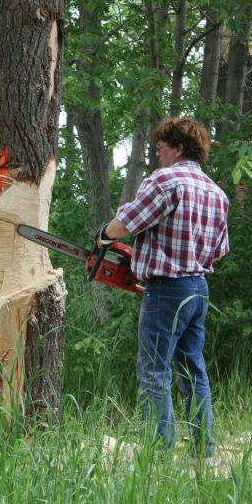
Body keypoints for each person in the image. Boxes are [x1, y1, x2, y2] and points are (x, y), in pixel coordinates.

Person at [99, 117, 229, 456]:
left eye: (161, 148)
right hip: (198, 288)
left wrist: (103, 235)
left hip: (166, 289)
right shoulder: (217, 193)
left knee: (153, 371)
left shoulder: (166, 181)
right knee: (192, 369)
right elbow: (220, 250)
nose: (158, 155)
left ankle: (159, 450)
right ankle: (203, 450)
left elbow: (127, 223)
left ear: (179, 148)